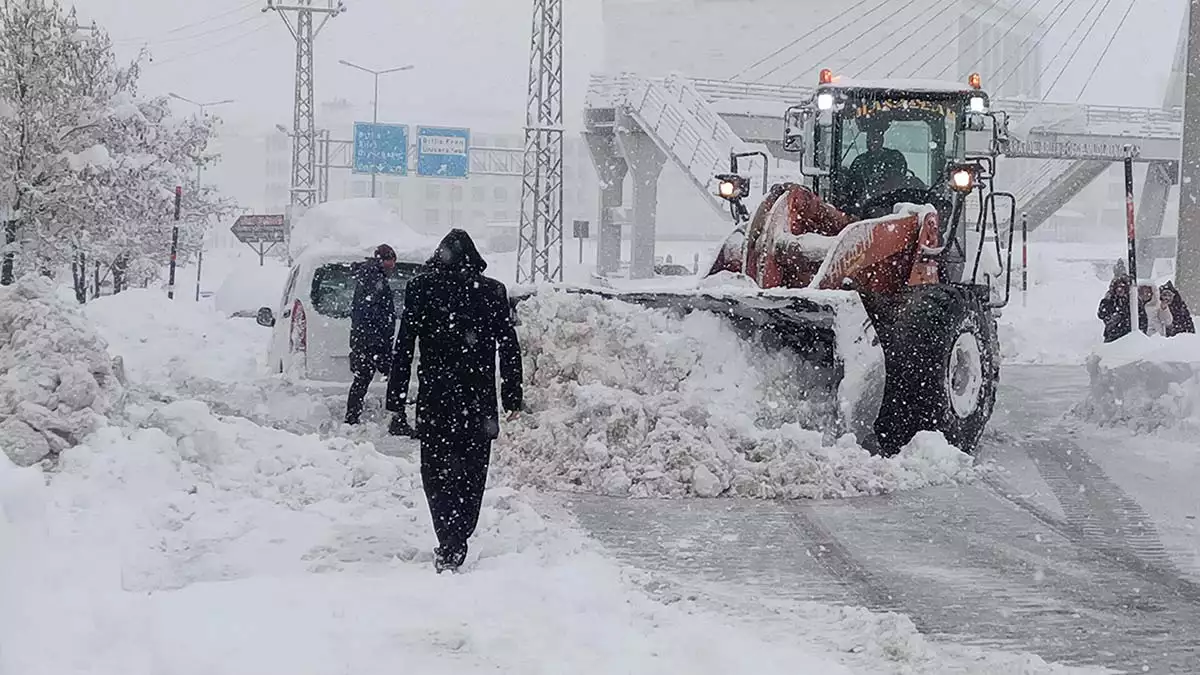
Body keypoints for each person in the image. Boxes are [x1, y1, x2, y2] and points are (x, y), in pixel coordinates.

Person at [386, 229, 523, 573]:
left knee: (436, 474)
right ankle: (460, 533)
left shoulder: (422, 288)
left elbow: (404, 345)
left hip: (436, 400)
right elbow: (508, 345)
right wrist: (512, 393)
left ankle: (448, 537)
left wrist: (397, 397)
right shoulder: (492, 292)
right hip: (478, 403)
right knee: (473, 474)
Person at [344, 244, 398, 425]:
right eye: (392, 261)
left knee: (362, 380)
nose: (393, 266)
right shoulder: (374, 279)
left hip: (365, 340)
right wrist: (381, 340)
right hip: (374, 341)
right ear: (385, 260)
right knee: (393, 377)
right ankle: (397, 418)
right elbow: (374, 313)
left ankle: (352, 416)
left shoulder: (369, 276)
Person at [846, 125, 909, 209]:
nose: (871, 142)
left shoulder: (894, 158)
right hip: (864, 209)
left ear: (882, 140)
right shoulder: (860, 161)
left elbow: (896, 179)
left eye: (875, 139)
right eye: (868, 139)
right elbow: (851, 186)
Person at [1097, 273, 1145, 343]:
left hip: (1130, 336)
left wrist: (1141, 334)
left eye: (1122, 287)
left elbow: (1142, 319)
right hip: (1112, 336)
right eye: (1118, 287)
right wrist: (1106, 301)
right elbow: (1101, 315)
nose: (1120, 290)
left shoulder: (1133, 300)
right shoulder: (1110, 300)